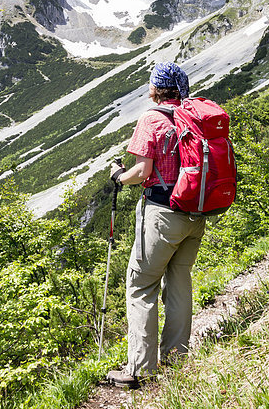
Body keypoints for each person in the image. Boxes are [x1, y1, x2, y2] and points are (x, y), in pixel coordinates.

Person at [107, 62, 206, 389]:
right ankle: (176, 360)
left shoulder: (152, 119)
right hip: (196, 213)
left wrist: (119, 175)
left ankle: (141, 370)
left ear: (155, 89)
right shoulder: (194, 115)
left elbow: (141, 171)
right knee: (179, 282)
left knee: (141, 285)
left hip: (163, 213)